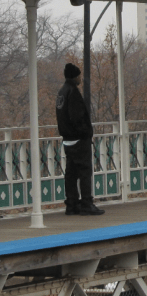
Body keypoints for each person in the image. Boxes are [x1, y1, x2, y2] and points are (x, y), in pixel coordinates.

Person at [56, 63, 104, 215]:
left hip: (67, 139)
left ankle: (71, 204)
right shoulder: (73, 92)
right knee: (84, 171)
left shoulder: (61, 92)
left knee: (71, 173)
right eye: (79, 76)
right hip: (78, 139)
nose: (80, 79)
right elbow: (77, 117)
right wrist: (85, 133)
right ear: (74, 76)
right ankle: (86, 203)